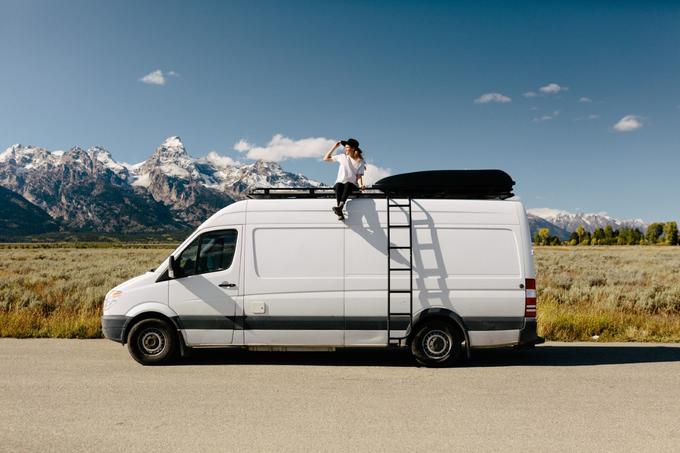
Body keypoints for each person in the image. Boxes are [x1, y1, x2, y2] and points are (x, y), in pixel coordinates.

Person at [323, 138, 366, 220]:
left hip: (351, 185)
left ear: (353, 149)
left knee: (348, 184)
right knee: (339, 184)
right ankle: (340, 209)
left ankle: (340, 208)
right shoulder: (342, 157)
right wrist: (334, 147)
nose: (345, 149)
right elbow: (325, 158)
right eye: (345, 147)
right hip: (340, 184)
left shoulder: (359, 161)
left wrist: (361, 185)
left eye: (347, 147)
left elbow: (359, 176)